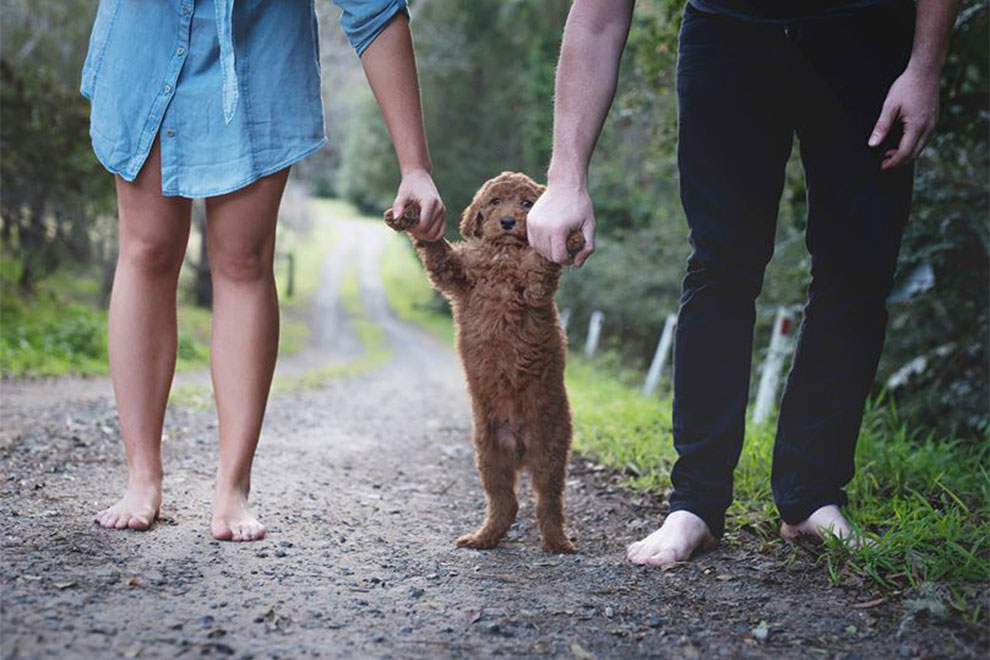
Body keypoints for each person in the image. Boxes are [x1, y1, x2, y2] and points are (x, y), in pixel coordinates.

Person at [526, 0, 961, 566]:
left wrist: (925, 66)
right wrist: (565, 177)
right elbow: (597, 18)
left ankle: (813, 498)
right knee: (719, 265)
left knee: (858, 269)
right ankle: (696, 504)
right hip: (728, 35)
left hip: (870, 35)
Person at [82, 0, 445, 542]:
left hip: (258, 57)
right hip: (147, 47)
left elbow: (375, 10)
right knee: (148, 248)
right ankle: (142, 477)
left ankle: (233, 486)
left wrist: (414, 165)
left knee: (242, 258)